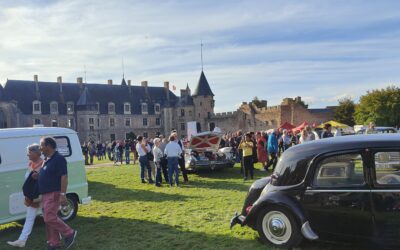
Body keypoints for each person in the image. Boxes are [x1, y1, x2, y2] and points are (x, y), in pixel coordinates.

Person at [38, 137, 77, 250]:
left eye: (41, 145)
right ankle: (54, 243)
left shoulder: (58, 159)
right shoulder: (46, 159)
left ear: (48, 146)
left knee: (49, 218)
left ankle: (69, 233)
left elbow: (64, 176)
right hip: (45, 194)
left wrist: (63, 194)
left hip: (53, 193)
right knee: (49, 219)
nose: (40, 148)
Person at [7, 144, 44, 248]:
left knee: (50, 218)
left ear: (36, 153)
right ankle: (22, 240)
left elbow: (46, 180)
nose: (27, 155)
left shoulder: (43, 164)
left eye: (29, 152)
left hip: (41, 196)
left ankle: (65, 234)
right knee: (30, 217)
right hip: (32, 195)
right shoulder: (31, 163)